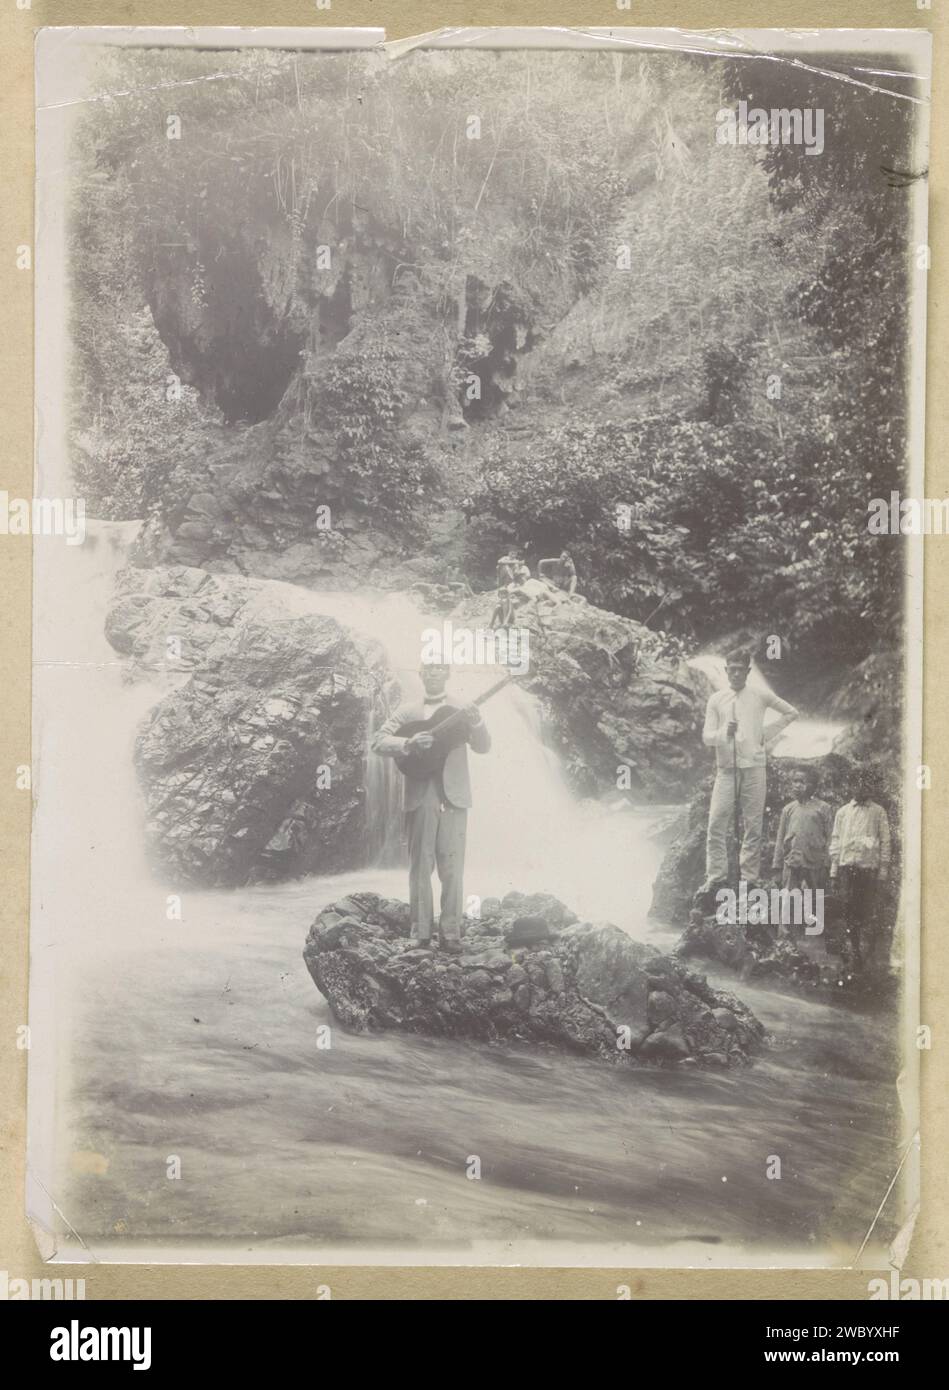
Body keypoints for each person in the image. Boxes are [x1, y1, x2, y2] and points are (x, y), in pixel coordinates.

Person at [371, 662, 490, 951]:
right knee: (420, 865)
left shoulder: (463, 708)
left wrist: (477, 723)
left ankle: (451, 933)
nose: (434, 673)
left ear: (448, 673)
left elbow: (483, 746)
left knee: (452, 866)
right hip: (421, 794)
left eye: (439, 668)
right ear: (421, 674)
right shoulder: (408, 711)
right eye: (428, 669)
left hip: (454, 795)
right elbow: (378, 741)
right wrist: (409, 742)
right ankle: (420, 933)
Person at [699, 649, 799, 894]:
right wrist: (725, 732)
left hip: (754, 768)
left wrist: (764, 734)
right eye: (731, 668)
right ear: (725, 670)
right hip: (727, 770)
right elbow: (706, 738)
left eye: (740, 669)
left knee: (753, 825)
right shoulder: (716, 699)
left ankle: (749, 878)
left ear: (747, 671)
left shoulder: (760, 694)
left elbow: (791, 713)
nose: (735, 673)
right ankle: (716, 877)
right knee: (716, 825)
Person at [829, 769, 892, 969]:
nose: (862, 788)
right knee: (848, 910)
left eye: (866, 784)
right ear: (850, 786)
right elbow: (836, 841)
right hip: (847, 869)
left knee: (867, 911)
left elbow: (885, 842)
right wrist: (833, 871)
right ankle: (853, 952)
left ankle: (867, 954)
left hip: (868, 870)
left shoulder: (878, 812)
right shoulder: (843, 812)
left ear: (871, 787)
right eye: (857, 784)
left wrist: (882, 872)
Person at [771, 765, 833, 933]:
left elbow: (830, 837)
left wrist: (827, 862)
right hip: (792, 860)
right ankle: (785, 932)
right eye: (795, 781)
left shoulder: (823, 808)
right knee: (788, 895)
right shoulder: (788, 809)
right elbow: (780, 838)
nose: (797, 785)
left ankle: (814, 931)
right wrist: (777, 865)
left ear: (812, 786)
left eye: (802, 782)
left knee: (814, 895)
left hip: (815, 860)